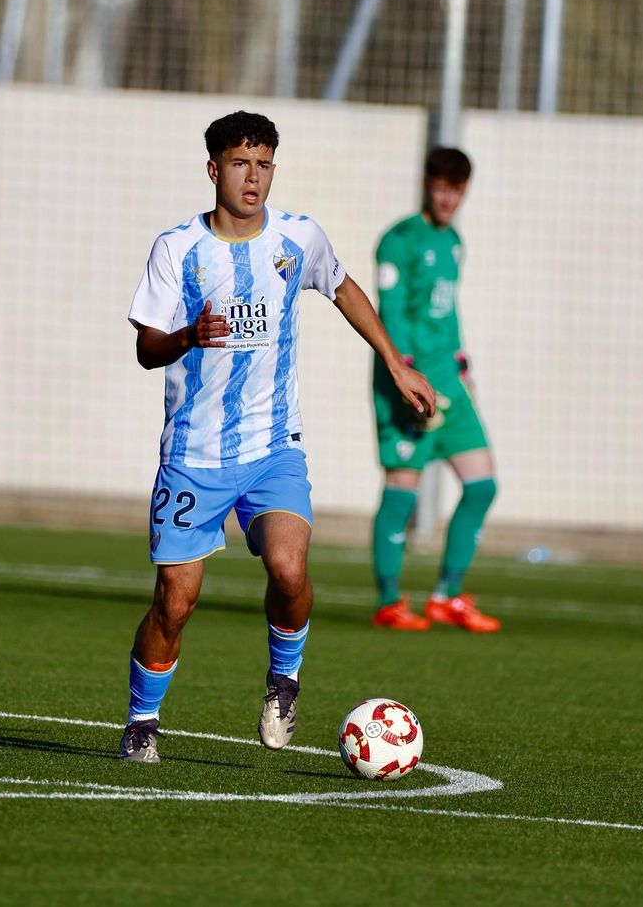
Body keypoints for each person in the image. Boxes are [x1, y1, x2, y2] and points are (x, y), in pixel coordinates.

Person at [118, 111, 435, 763]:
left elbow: (344, 288)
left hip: (272, 448)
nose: (253, 176)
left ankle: (283, 681)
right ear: (214, 170)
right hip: (192, 457)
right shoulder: (177, 249)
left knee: (290, 568)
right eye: (240, 163)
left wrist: (397, 364)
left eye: (263, 163)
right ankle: (142, 720)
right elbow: (148, 347)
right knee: (175, 603)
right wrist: (186, 337)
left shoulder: (297, 238)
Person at [368, 146, 501, 633]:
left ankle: (448, 595)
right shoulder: (398, 241)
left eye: (457, 190)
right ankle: (389, 600)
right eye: (442, 187)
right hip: (408, 382)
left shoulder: (454, 244)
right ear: (428, 185)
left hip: (451, 383)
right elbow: (392, 314)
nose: (449, 198)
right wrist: (404, 375)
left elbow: (448, 314)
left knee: (483, 484)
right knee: (403, 488)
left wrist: (463, 367)